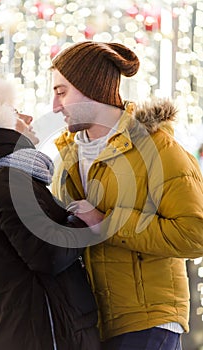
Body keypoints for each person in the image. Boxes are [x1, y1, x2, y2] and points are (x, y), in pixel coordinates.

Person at [50, 40, 203, 350]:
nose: (54, 107)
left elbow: (196, 234)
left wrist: (106, 223)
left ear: (91, 87)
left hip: (147, 321)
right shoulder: (65, 155)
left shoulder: (157, 148)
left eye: (61, 92)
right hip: (92, 323)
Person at [0, 74, 101, 350]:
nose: (29, 118)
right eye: (16, 112)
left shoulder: (5, 179)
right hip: (44, 334)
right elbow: (47, 252)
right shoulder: (7, 181)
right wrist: (86, 223)